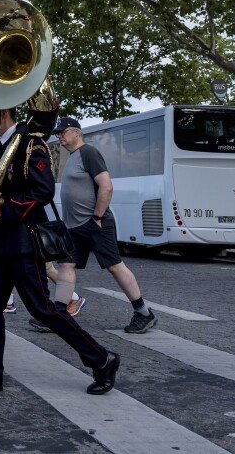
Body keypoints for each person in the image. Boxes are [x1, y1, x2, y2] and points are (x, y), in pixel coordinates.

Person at [0, 103, 118, 395]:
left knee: (43, 310)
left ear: (3, 113)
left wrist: (6, 210)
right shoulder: (7, 145)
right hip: (2, 242)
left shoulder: (30, 144)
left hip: (23, 242)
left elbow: (43, 190)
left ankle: (102, 358)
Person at [52, 116, 156, 333]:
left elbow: (106, 186)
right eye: (58, 133)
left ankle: (144, 313)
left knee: (114, 266)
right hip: (73, 226)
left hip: (94, 223)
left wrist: (97, 217)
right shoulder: (72, 157)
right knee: (65, 265)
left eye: (62, 132)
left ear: (76, 132)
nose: (59, 136)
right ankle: (59, 316)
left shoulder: (88, 153)